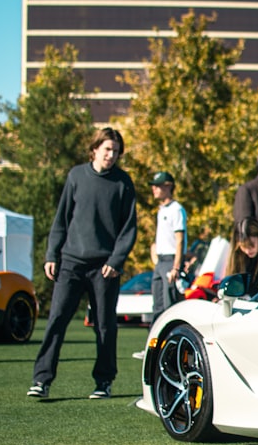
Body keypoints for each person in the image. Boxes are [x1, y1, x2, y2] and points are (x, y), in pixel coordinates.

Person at [28, 128, 137, 400]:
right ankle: (41, 380)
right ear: (95, 149)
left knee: (104, 325)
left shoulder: (123, 183)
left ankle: (104, 381)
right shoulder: (76, 176)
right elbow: (61, 220)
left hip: (104, 267)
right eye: (107, 149)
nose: (111, 155)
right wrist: (51, 254)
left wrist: (116, 261)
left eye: (116, 151)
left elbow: (128, 229)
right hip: (71, 262)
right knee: (56, 320)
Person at [148, 171, 187, 323]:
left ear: (168, 186)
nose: (154, 189)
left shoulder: (176, 209)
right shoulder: (161, 210)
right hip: (161, 261)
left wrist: (176, 267)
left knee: (169, 306)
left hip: (171, 261)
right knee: (157, 306)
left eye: (158, 186)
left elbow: (179, 240)